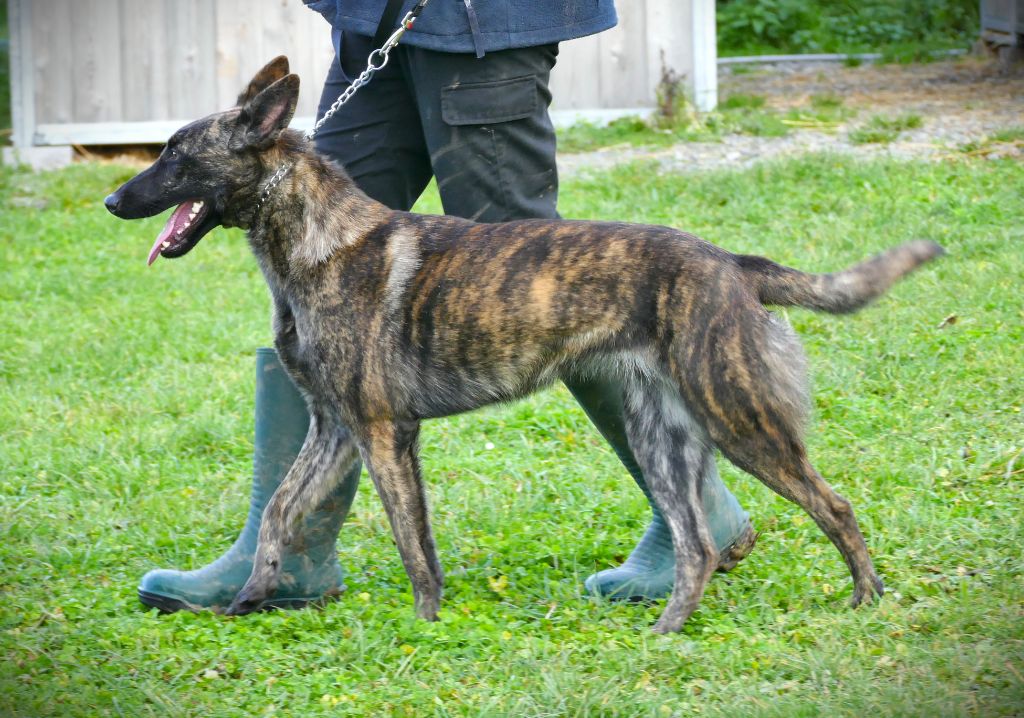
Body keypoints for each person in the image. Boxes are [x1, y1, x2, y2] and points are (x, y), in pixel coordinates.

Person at [137, 0, 757, 614]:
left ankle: (699, 508)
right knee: (316, 265)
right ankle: (287, 552)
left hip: (483, 27)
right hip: (375, 18)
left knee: (541, 280)